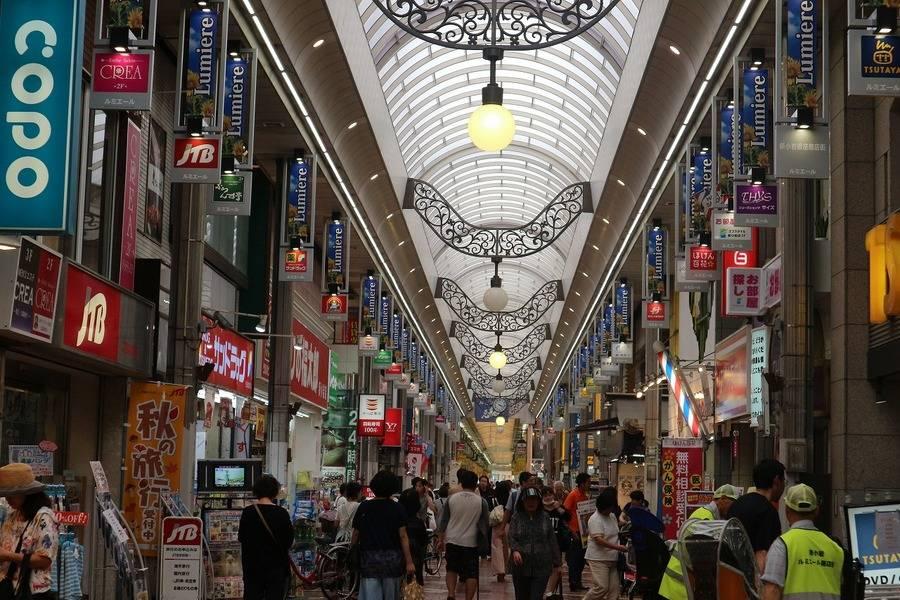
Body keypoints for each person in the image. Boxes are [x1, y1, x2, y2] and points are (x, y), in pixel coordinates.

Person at [657, 484, 740, 600]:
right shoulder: (706, 519)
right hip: (680, 588)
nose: (734, 509)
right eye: (733, 504)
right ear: (723, 499)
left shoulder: (707, 515)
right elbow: (702, 562)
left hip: (676, 585)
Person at [761, 484, 843, 600]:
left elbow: (772, 591)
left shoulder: (782, 545)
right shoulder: (835, 549)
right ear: (816, 511)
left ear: (787, 511)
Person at [352, 471, 416, 600]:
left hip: (369, 559)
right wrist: (409, 562)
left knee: (370, 595)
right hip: (392, 560)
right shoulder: (397, 508)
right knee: (391, 595)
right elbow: (403, 536)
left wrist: (352, 550)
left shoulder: (364, 507)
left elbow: (356, 533)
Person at [0, 464, 58, 599]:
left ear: (27, 493)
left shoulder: (44, 518)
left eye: (11, 494)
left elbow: (44, 561)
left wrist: (8, 555)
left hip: (32, 593)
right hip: (8, 588)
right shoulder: (12, 516)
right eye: (5, 495)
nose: (7, 499)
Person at [238, 474, 293, 600]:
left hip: (252, 568)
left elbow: (241, 538)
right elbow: (289, 542)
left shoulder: (248, 512)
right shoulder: (282, 514)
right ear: (274, 492)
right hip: (276, 568)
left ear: (256, 491)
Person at [437, 469, 490, 600]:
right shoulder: (481, 502)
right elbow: (486, 523)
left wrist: (440, 539)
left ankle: (451, 594)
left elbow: (443, 521)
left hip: (452, 540)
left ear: (461, 482)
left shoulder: (451, 499)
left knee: (451, 569)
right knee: (471, 573)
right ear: (475, 484)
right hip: (471, 543)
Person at [729, 459, 786, 574]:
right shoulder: (768, 511)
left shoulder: (737, 504)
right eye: (784, 480)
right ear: (776, 481)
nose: (784, 485)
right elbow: (762, 554)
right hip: (750, 578)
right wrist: (760, 583)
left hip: (731, 575)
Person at [508, 486, 561, 600]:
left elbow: (552, 539)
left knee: (536, 597)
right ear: (522, 501)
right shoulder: (516, 517)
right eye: (528, 499)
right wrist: (515, 550)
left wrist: (557, 563)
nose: (531, 503)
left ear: (538, 501)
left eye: (534, 499)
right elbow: (511, 536)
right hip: (521, 567)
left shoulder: (545, 517)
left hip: (542, 566)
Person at [583, 488, 626, 600]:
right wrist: (618, 547)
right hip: (598, 558)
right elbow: (599, 540)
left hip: (612, 558)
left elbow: (614, 530)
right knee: (601, 587)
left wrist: (625, 524)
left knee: (614, 590)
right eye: (609, 508)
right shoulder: (594, 519)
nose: (610, 510)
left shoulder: (612, 516)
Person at [562, 472, 592, 591]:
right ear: (582, 483)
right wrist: (571, 531)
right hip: (574, 532)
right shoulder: (573, 495)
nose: (590, 485)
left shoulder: (585, 496)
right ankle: (573, 582)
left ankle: (578, 582)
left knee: (581, 559)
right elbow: (564, 515)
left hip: (583, 532)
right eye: (588, 483)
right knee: (574, 559)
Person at [542, 486, 570, 599]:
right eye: (545, 495)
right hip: (542, 544)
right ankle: (543, 590)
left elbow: (568, 517)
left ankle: (549, 592)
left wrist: (558, 508)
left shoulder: (558, 507)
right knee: (544, 568)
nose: (548, 497)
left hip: (557, 544)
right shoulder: (539, 510)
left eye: (550, 495)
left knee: (557, 568)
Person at [399, 489, 428, 586]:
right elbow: (424, 542)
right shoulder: (418, 523)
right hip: (415, 565)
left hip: (397, 562)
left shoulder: (398, 522)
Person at [491, 480, 512, 582]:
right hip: (508, 524)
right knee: (506, 548)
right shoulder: (510, 499)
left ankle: (500, 571)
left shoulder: (493, 499)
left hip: (496, 526)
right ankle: (506, 569)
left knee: (497, 548)